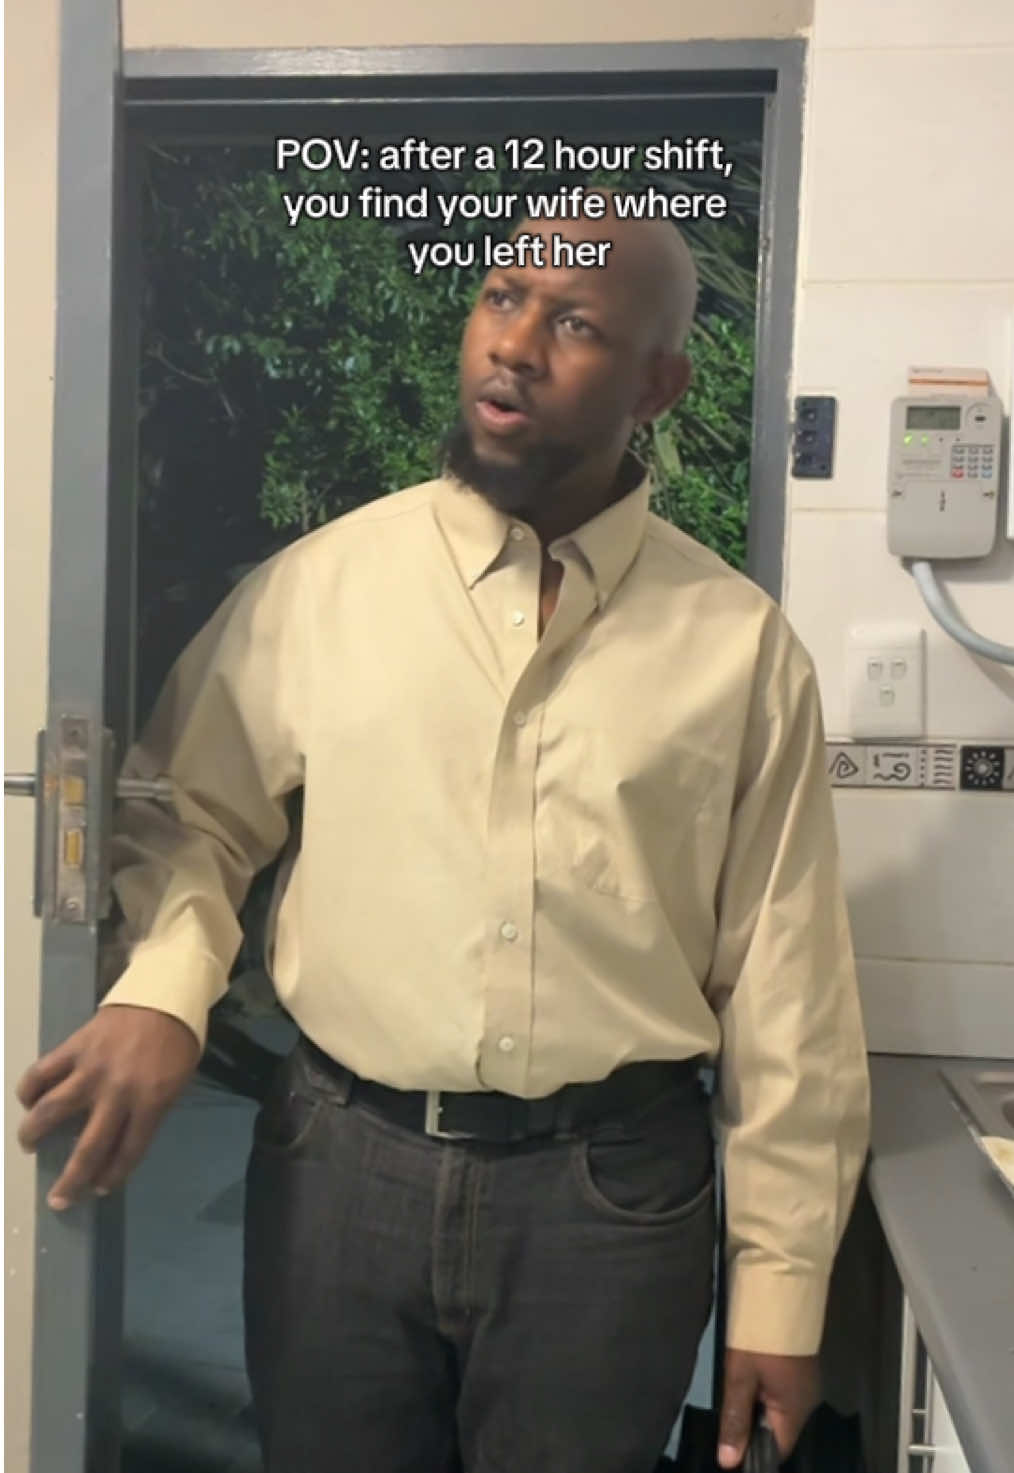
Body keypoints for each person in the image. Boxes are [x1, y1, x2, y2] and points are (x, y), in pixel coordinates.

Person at [17, 195, 870, 1473]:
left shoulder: (739, 650)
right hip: (338, 1170)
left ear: (658, 384)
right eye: (502, 299)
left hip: (611, 1202)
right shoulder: (324, 588)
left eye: (574, 323)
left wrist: (781, 1294)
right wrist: (166, 986)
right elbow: (184, 808)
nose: (512, 345)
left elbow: (789, 989)